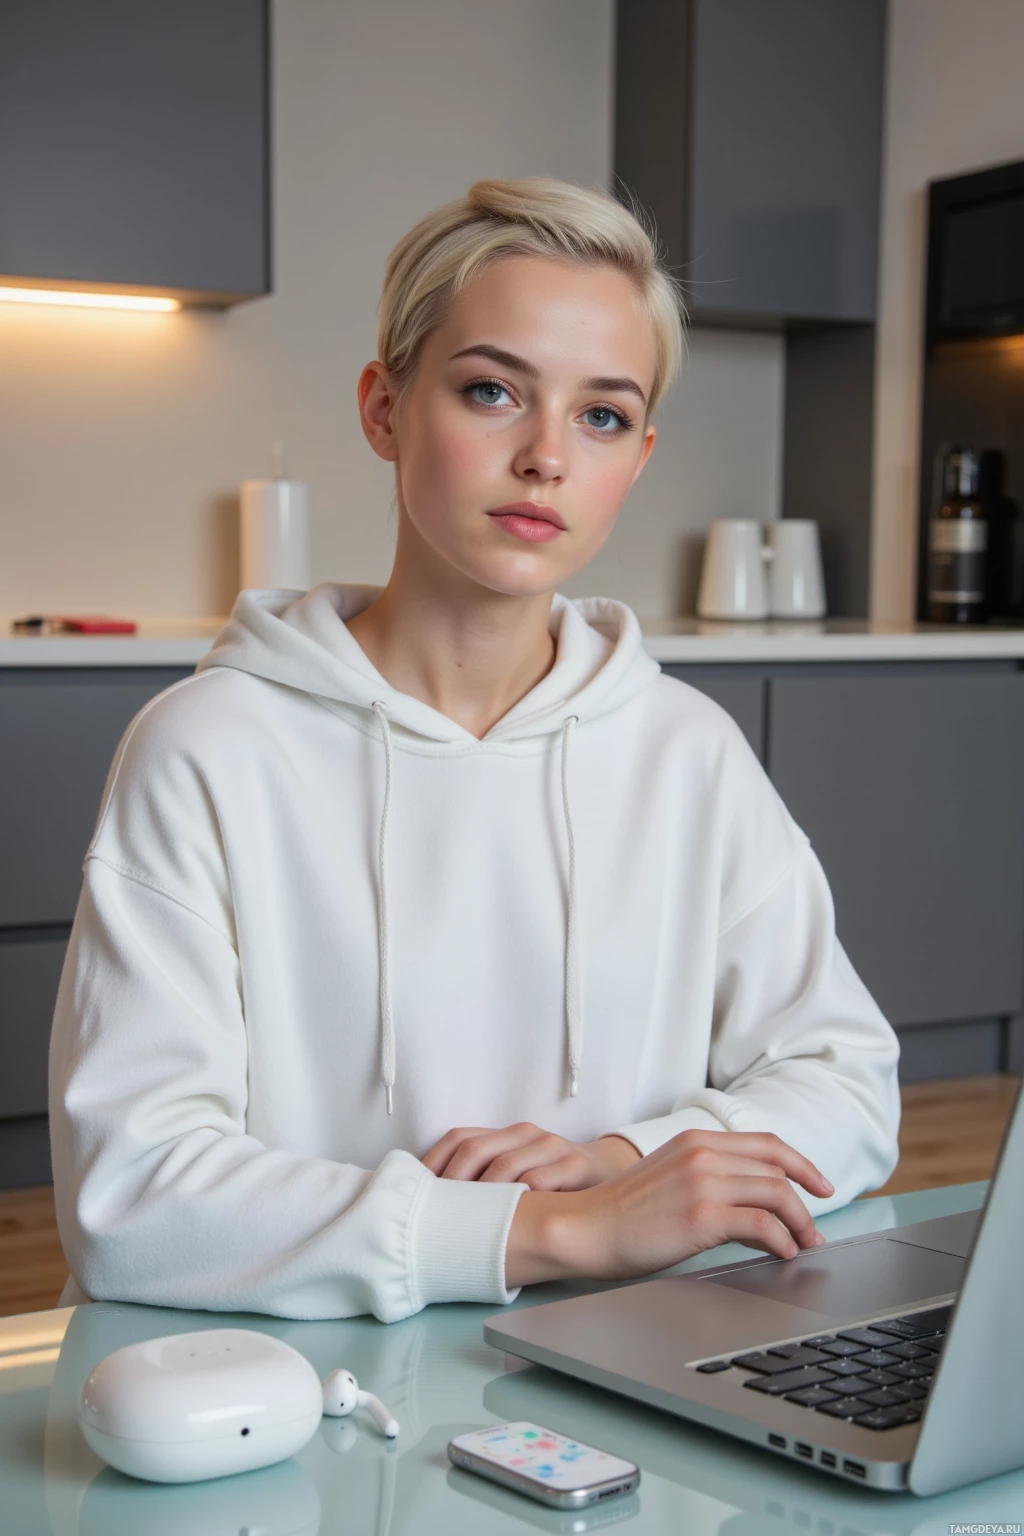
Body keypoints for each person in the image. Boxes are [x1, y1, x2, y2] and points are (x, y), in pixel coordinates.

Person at [49, 177, 900, 1323]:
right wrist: (553, 1229)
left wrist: (620, 1159)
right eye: (493, 391)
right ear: (385, 408)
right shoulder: (207, 749)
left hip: (630, 1363)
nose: (546, 456)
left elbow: (848, 1085)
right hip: (306, 1390)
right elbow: (132, 1196)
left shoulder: (685, 751)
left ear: (637, 456)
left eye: (600, 415)